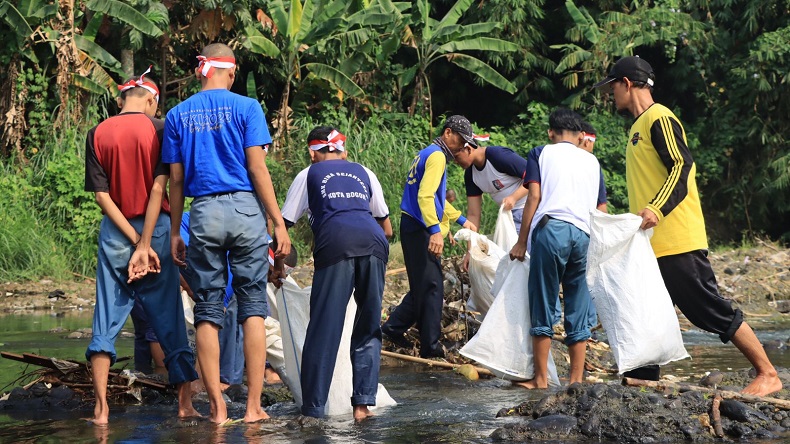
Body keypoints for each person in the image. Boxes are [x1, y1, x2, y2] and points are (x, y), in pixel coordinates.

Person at [594, 56, 782, 396]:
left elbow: (682, 165)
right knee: (647, 309)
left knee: (704, 307)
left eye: (612, 87)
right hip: (652, 244)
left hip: (677, 239)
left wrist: (656, 208)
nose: (611, 95)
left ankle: (768, 373)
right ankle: (643, 381)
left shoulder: (659, 117)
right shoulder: (636, 128)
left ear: (627, 83)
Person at [162, 43, 292, 423]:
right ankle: (253, 408)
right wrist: (278, 222)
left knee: (207, 307)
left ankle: (217, 409)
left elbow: (175, 180)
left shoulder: (177, 114)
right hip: (245, 210)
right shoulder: (247, 107)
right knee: (253, 306)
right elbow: (257, 168)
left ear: (202, 71)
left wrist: (176, 232)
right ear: (232, 73)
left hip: (203, 212)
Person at [84, 68, 199, 424]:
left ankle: (101, 409)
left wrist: (132, 241)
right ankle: (185, 405)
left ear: (122, 99)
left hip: (115, 232)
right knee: (170, 317)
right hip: (157, 232)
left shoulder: (97, 132)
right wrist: (145, 242)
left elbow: (102, 196)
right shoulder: (160, 128)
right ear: (151, 100)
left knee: (105, 317)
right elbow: (158, 187)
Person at [278, 126, 392, 420]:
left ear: (312, 153)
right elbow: (387, 227)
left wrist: (276, 266)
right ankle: (362, 407)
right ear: (343, 151)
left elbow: (282, 226)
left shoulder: (308, 174)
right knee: (368, 327)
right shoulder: (365, 172)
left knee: (324, 329)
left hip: (336, 244)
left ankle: (313, 411)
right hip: (374, 244)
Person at [508, 108, 608, 389]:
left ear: (551, 132)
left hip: (552, 231)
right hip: (585, 236)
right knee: (578, 305)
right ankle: (576, 381)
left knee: (543, 300)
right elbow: (601, 209)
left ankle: (541, 380)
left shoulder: (541, 152)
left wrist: (521, 241)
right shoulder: (592, 162)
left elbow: (534, 196)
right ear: (581, 135)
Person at [381, 115, 478, 359]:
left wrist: (461, 219)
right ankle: (430, 347)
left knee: (423, 285)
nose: (462, 147)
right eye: (460, 140)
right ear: (448, 133)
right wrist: (435, 230)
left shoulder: (427, 153)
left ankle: (393, 328)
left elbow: (436, 198)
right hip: (420, 226)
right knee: (433, 287)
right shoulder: (437, 157)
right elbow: (425, 196)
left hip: (412, 224)